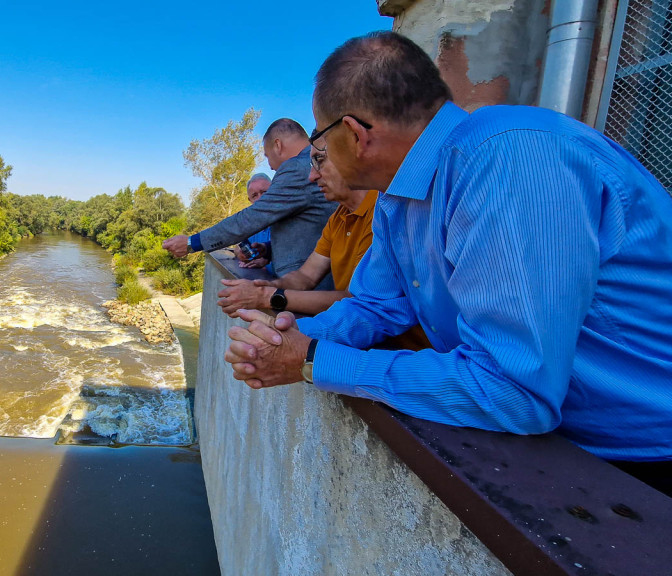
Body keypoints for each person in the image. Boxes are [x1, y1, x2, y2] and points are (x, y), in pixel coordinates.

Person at [224, 31, 672, 493]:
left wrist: (315, 360)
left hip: (648, 456)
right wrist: (281, 342)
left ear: (355, 135)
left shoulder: (508, 161)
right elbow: (376, 305)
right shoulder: (398, 198)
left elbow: (514, 391)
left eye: (318, 146)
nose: (314, 168)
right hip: (570, 447)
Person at [162, 119, 337, 289]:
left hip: (312, 289)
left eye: (267, 156)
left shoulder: (297, 167)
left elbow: (250, 219)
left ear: (278, 145)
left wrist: (192, 242)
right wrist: (268, 250)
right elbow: (311, 229)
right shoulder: (313, 163)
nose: (269, 166)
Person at [217, 143, 376, 317]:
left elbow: (358, 302)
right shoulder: (337, 219)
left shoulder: (379, 213)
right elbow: (306, 276)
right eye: (254, 195)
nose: (311, 177)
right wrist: (266, 286)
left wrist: (267, 297)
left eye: (319, 161)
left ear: (347, 157)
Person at [234, 173, 273, 272]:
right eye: (255, 195)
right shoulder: (251, 225)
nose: (260, 198)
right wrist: (240, 253)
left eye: (264, 192)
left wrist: (267, 259)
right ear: (250, 200)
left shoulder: (291, 218)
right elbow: (240, 245)